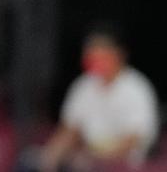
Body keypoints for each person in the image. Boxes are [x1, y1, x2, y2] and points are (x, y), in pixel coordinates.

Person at [38, 25, 159, 171]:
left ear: (118, 55)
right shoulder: (83, 85)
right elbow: (71, 129)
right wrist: (52, 153)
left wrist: (95, 157)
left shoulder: (136, 88)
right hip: (88, 159)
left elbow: (133, 140)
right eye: (91, 55)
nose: (95, 60)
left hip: (125, 165)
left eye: (101, 55)